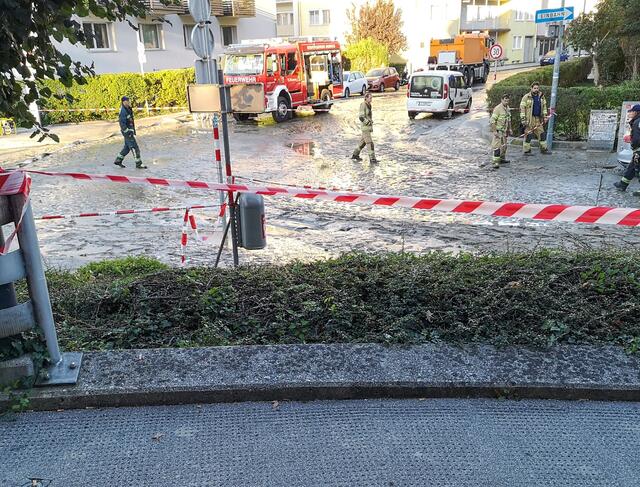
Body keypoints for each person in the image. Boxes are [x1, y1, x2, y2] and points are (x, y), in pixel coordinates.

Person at [114, 96, 147, 169]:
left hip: (129, 132)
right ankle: (139, 164)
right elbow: (122, 123)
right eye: (127, 101)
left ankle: (118, 160)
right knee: (135, 148)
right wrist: (128, 132)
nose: (128, 102)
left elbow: (130, 121)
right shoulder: (123, 111)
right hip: (127, 133)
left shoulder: (127, 109)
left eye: (129, 101)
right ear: (123, 102)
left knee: (127, 148)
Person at [614, 104, 640, 191]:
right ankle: (622, 184)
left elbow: (636, 139)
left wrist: (634, 146)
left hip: (639, 150)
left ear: (636, 112)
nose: (630, 113)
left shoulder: (637, 122)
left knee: (638, 168)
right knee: (632, 167)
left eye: (631, 111)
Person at [520, 82, 549, 155]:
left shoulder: (541, 96)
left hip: (538, 119)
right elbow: (522, 109)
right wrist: (523, 120)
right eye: (534, 88)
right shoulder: (526, 97)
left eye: (537, 88)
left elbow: (544, 107)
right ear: (531, 88)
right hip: (529, 119)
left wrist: (545, 116)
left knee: (542, 134)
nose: (536, 89)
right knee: (528, 135)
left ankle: (544, 149)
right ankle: (527, 151)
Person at [352, 92, 377, 163]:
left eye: (372, 98)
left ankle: (355, 155)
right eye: (370, 98)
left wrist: (371, 121)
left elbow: (368, 116)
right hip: (365, 128)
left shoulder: (369, 105)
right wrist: (368, 122)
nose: (371, 99)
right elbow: (361, 117)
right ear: (366, 98)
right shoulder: (363, 105)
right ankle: (372, 159)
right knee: (370, 143)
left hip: (368, 128)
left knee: (362, 143)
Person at [488, 93, 512, 169]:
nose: (506, 102)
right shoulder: (497, 109)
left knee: (504, 146)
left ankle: (502, 159)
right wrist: (494, 131)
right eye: (505, 100)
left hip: (504, 131)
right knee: (497, 147)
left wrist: (510, 129)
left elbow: (509, 119)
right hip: (498, 131)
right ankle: (495, 162)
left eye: (507, 101)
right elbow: (492, 121)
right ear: (502, 100)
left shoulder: (507, 108)